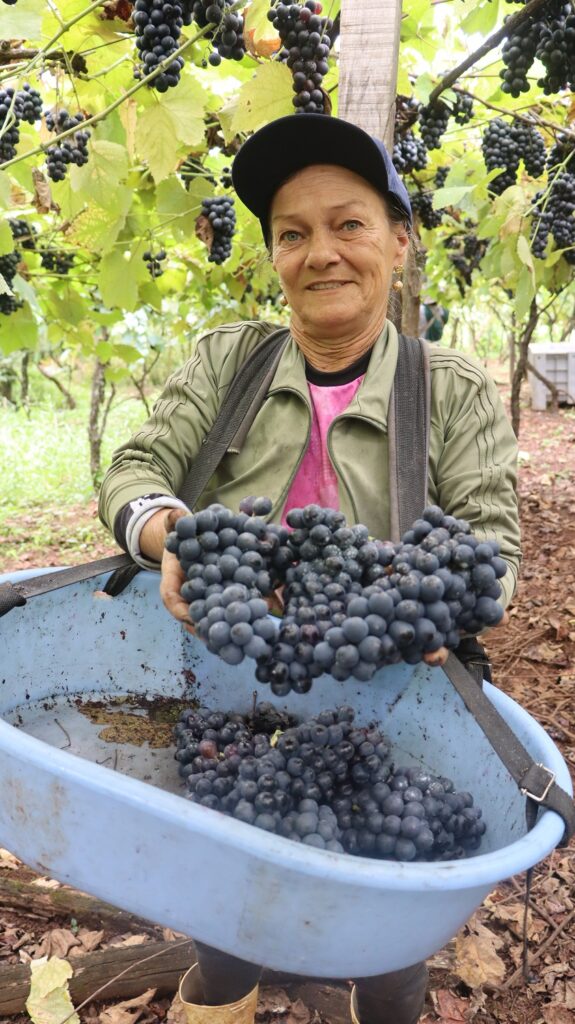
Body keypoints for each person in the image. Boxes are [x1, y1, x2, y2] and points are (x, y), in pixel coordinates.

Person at [99, 114, 521, 1024]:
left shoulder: (447, 387)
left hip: (390, 702)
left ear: (399, 243)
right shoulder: (228, 359)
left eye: (348, 224)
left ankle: (380, 987)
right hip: (230, 688)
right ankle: (223, 987)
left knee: (387, 928)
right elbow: (134, 470)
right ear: (274, 257)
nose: (320, 252)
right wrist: (171, 535)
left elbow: (493, 549)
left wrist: (433, 613)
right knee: (227, 904)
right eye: (292, 234)